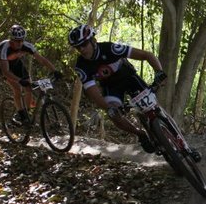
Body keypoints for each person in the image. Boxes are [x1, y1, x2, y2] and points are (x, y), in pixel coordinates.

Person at [68, 24, 165, 153]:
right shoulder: (81, 66)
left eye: (84, 44)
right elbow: (94, 93)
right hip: (111, 86)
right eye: (77, 47)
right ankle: (140, 134)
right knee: (113, 115)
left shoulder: (110, 48)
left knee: (154, 107)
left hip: (129, 77)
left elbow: (146, 55)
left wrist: (159, 72)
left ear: (93, 40)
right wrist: (109, 108)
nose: (81, 49)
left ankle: (169, 128)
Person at [0, 24, 62, 124]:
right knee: (17, 88)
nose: (20, 43)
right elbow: (6, 71)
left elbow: (42, 60)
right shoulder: (4, 47)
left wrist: (55, 70)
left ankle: (26, 112)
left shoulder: (26, 46)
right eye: (17, 41)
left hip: (17, 64)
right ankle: (20, 114)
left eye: (22, 40)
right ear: (11, 40)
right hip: (4, 67)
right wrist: (19, 80)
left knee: (29, 87)